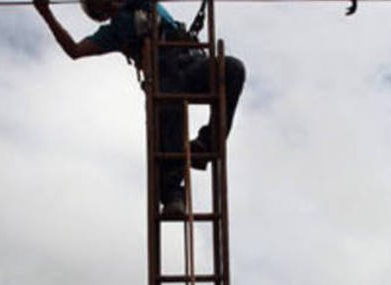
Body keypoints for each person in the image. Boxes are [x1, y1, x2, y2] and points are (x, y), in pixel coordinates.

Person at [33, 0, 245, 215]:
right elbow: (75, 50)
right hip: (164, 76)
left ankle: (206, 145)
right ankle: (172, 194)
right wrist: (46, 13)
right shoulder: (114, 32)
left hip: (190, 64)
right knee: (170, 106)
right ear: (99, 10)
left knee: (232, 69)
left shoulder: (144, 2)